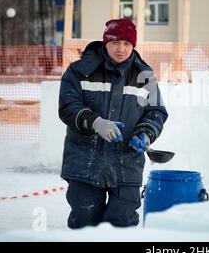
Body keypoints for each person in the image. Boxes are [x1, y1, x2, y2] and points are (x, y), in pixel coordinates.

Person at [58, 18, 168, 229]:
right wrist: (96, 123)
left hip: (126, 164)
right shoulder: (80, 70)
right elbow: (67, 105)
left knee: (122, 225)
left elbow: (155, 112)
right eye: (116, 42)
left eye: (127, 44)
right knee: (85, 223)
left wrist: (145, 133)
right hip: (85, 162)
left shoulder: (144, 75)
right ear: (105, 42)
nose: (121, 49)